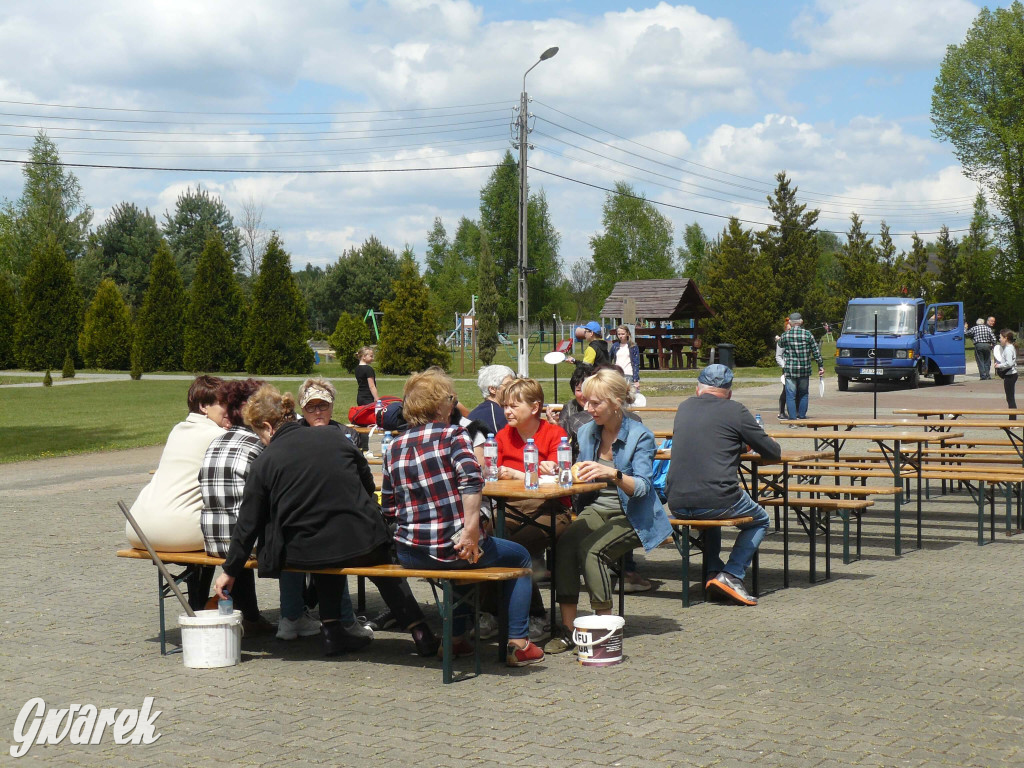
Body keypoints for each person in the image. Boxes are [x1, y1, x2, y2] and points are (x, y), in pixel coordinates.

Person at [213, 384, 439, 658]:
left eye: (258, 433)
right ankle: (420, 632)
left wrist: (230, 571)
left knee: (322, 545)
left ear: (268, 427)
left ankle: (332, 632)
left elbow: (248, 523)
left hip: (304, 552)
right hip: (362, 541)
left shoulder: (265, 461)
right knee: (379, 560)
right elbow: (368, 484)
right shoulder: (335, 436)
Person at [382, 368, 544, 667]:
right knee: (519, 557)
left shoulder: (394, 445)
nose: (453, 403)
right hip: (452, 547)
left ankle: (455, 639)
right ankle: (519, 643)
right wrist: (470, 529)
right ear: (439, 405)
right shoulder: (454, 435)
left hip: (410, 552)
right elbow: (472, 480)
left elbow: (389, 507)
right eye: (450, 398)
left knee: (463, 561)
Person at [544, 369, 671, 654]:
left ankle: (602, 629)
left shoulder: (640, 436)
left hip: (634, 514)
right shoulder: (588, 431)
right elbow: (581, 474)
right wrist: (560, 471)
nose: (588, 409)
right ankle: (569, 630)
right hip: (596, 508)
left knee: (593, 551)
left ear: (615, 402)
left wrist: (613, 474)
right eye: (586, 402)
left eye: (595, 403)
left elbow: (643, 488)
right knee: (564, 545)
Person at [665, 365, 781, 606]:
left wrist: (736, 446)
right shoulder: (735, 410)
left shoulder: (684, 407)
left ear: (698, 389)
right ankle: (732, 574)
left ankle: (713, 572)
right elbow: (772, 452)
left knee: (711, 519)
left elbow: (711, 442)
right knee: (760, 520)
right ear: (729, 392)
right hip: (717, 498)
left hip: (677, 502)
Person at [127, 375, 228, 610]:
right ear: (203, 407)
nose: (230, 409)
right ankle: (235, 610)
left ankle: (201, 604)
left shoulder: (178, 429)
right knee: (235, 535)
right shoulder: (216, 436)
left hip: (137, 528)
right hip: (174, 531)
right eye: (224, 403)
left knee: (210, 528)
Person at [293, 377, 373, 641]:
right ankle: (297, 616)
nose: (318, 412)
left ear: (332, 406)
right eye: (311, 407)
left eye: (323, 406)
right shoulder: (293, 435)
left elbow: (362, 479)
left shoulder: (347, 434)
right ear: (302, 409)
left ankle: (340, 620)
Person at [496, 377, 572, 639]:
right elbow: (492, 473)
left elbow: (559, 480)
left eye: (514, 406)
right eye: (505, 406)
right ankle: (491, 611)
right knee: (483, 540)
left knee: (512, 549)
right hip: (510, 508)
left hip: (551, 510)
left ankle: (536, 615)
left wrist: (518, 474)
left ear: (535, 407)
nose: (507, 411)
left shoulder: (555, 434)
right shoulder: (502, 436)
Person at [199, 378, 275, 635]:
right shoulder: (259, 446)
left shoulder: (215, 442)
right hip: (242, 545)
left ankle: (250, 616)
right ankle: (298, 614)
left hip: (212, 540)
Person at [778, 312, 824, 421]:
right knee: (803, 394)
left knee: (790, 395)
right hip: (804, 369)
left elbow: (780, 344)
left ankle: (793, 419)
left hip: (790, 370)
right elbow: (816, 351)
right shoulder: (808, 334)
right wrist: (820, 366)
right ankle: (802, 417)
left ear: (790, 323)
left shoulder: (785, 335)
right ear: (801, 322)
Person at [467, 364, 516, 435]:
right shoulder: (503, 415)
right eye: (509, 385)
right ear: (492, 389)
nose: (514, 388)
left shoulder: (473, 413)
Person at [994, 329, 1018, 412]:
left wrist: (999, 365)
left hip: (1010, 375)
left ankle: (1013, 419)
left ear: (1006, 338)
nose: (999, 339)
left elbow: (1009, 363)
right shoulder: (1010, 347)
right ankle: (1012, 418)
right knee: (1010, 398)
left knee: (1010, 399)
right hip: (1011, 374)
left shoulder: (1008, 349)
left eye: (1001, 337)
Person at [610, 325, 640, 391]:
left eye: (623, 334)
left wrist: (636, 379)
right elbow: (609, 358)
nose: (621, 336)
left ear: (627, 334)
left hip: (628, 373)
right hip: (617, 374)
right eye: (619, 334)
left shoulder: (633, 346)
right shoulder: (615, 346)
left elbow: (636, 363)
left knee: (630, 394)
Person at [775, 316, 791, 420]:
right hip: (786, 368)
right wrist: (784, 366)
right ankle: (781, 412)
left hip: (796, 368)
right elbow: (778, 356)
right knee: (786, 390)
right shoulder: (782, 341)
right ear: (785, 330)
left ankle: (794, 412)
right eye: (788, 329)